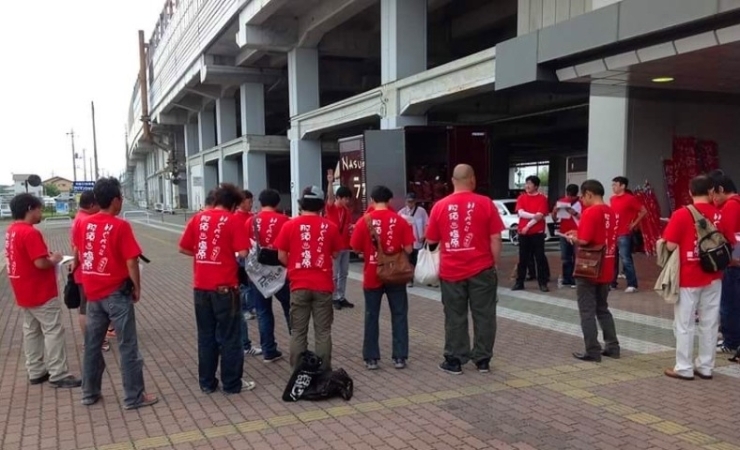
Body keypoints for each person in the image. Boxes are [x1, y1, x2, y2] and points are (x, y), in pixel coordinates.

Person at [74, 177, 157, 408]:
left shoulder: (84, 224)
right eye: (120, 197)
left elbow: (79, 251)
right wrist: (137, 287)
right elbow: (131, 262)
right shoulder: (120, 226)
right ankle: (134, 396)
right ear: (114, 200)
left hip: (93, 294)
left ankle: (89, 393)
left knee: (92, 345)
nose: (121, 201)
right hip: (116, 294)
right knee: (128, 345)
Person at [426, 165, 505, 375]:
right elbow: (496, 238)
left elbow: (432, 240)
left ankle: (455, 360)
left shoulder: (439, 206)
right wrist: (494, 264)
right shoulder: (485, 203)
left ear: (452, 181)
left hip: (451, 271)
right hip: (482, 269)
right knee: (485, 315)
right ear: (472, 179)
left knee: (454, 316)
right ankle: (482, 360)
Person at [179, 183, 257, 394]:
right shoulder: (231, 220)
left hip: (200, 288)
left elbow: (183, 247)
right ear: (232, 205)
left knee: (206, 336)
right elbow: (242, 252)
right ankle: (232, 384)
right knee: (231, 337)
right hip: (225, 289)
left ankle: (207, 383)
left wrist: (204, 255)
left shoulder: (198, 218)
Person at [4, 194, 82, 388]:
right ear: (30, 208)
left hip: (22, 289)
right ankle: (58, 373)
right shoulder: (30, 233)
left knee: (31, 331)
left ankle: (36, 370)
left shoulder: (11, 230)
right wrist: (55, 259)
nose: (41, 212)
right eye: (39, 209)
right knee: (53, 330)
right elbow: (40, 262)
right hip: (40, 290)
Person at [662, 175, 736, 380]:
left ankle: (684, 367)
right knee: (710, 322)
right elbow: (730, 240)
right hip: (714, 275)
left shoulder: (681, 214)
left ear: (690, 192)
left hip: (688, 276)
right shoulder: (720, 214)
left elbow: (669, 245)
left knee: (684, 324)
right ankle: (705, 366)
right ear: (712, 192)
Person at [275, 186, 342, 371]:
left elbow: (281, 255)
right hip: (323, 285)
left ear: (301, 203)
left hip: (298, 284)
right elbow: (336, 253)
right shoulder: (330, 226)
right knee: (322, 332)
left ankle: (298, 372)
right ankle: (323, 372)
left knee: (298, 331)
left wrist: (294, 267)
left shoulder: (289, 225)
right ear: (321, 205)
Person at [350, 185, 414, 370]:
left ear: (371, 200)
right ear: (390, 201)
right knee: (399, 315)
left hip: (372, 274)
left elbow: (355, 247)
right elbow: (409, 249)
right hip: (396, 274)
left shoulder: (364, 221)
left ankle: (371, 358)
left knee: (372, 316)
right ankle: (399, 357)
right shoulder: (400, 220)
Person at [564, 180, 620, 362]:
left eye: (582, 196)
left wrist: (573, 238)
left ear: (589, 194)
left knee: (587, 310)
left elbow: (585, 240)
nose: (582, 200)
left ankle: (592, 350)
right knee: (603, 308)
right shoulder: (610, 212)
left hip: (589, 267)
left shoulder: (590, 212)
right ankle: (612, 346)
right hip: (607, 265)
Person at [245, 188, 291, 363]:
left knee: (263, 312)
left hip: (258, 275)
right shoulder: (285, 220)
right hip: (281, 272)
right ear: (277, 203)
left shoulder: (251, 221)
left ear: (260, 203)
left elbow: (245, 249)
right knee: (289, 308)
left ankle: (268, 350)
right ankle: (297, 346)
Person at [70, 190, 109, 351]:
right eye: (99, 204)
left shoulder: (79, 218)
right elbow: (78, 249)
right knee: (87, 309)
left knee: (87, 307)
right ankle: (92, 341)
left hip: (83, 270)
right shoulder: (85, 221)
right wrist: (75, 264)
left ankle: (93, 340)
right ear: (92, 204)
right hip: (85, 271)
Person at [708, 171, 740, 355]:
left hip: (732, 263)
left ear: (721, 190)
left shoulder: (730, 207)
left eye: (712, 193)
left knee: (729, 304)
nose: (711, 198)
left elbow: (723, 234)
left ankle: (731, 341)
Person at [512, 175, 550, 292]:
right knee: (523, 258)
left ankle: (542, 283)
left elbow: (540, 216)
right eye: (526, 183)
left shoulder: (542, 199)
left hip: (537, 233)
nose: (527, 186)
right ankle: (519, 282)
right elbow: (521, 213)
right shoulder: (521, 198)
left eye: (530, 183)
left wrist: (528, 226)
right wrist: (535, 215)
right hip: (523, 233)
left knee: (539, 258)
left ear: (536, 186)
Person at [609, 176, 647, 293]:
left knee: (626, 259)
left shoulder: (630, 199)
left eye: (616, 185)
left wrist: (634, 224)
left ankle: (632, 284)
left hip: (624, 233)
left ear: (623, 186)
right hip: (613, 232)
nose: (613, 187)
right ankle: (612, 283)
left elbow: (643, 211)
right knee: (612, 259)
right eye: (613, 185)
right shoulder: (612, 199)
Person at [325, 171, 355, 310]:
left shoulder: (347, 211)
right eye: (345, 199)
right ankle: (334, 297)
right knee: (334, 273)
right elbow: (330, 197)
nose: (347, 201)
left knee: (343, 273)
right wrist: (330, 182)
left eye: (348, 199)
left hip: (345, 247)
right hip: (334, 247)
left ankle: (341, 296)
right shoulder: (331, 208)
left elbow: (348, 227)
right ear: (339, 198)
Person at [552, 184, 582, 288]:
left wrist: (574, 213)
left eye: (571, 196)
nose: (569, 198)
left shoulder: (581, 203)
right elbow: (555, 219)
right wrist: (554, 211)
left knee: (576, 256)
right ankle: (566, 278)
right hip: (564, 232)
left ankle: (575, 278)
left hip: (577, 232)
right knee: (565, 257)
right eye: (569, 195)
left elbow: (584, 219)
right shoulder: (562, 202)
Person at [398, 192, 429, 285]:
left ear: (415, 202)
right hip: (407, 240)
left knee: (418, 259)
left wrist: (424, 235)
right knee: (407, 259)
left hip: (418, 239)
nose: (410, 204)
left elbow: (427, 223)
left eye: (412, 202)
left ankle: (420, 276)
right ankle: (409, 279)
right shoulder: (401, 212)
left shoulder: (421, 211)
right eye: (408, 201)